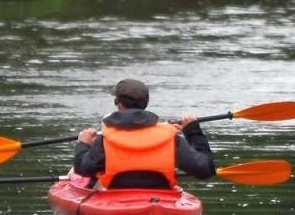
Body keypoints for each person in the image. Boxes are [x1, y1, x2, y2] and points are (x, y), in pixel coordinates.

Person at [72, 78, 216, 190]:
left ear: (119, 104)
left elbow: (83, 171)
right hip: (161, 199)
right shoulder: (170, 137)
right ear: (145, 103)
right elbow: (205, 170)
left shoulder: (105, 138)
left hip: (117, 198)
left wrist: (83, 144)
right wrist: (193, 131)